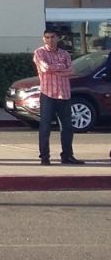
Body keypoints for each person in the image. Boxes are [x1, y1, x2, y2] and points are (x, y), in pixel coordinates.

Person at [33, 30, 83, 165]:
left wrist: (56, 69)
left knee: (67, 127)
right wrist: (61, 68)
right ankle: (45, 157)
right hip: (47, 94)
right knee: (45, 126)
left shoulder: (65, 53)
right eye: (47, 37)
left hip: (64, 94)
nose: (50, 40)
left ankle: (67, 156)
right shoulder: (40, 52)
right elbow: (45, 68)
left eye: (52, 37)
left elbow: (71, 70)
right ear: (43, 39)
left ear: (58, 38)